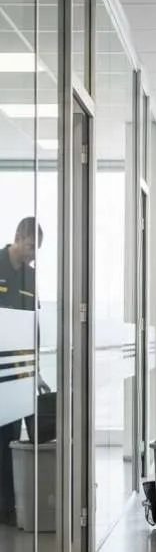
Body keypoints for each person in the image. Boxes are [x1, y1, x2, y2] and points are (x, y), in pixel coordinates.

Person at [0, 218, 41, 525]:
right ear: (17, 237)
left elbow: (33, 323)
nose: (31, 254)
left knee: (10, 438)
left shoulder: (31, 276)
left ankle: (8, 506)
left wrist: (35, 367)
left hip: (17, 370)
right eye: (29, 247)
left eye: (35, 250)